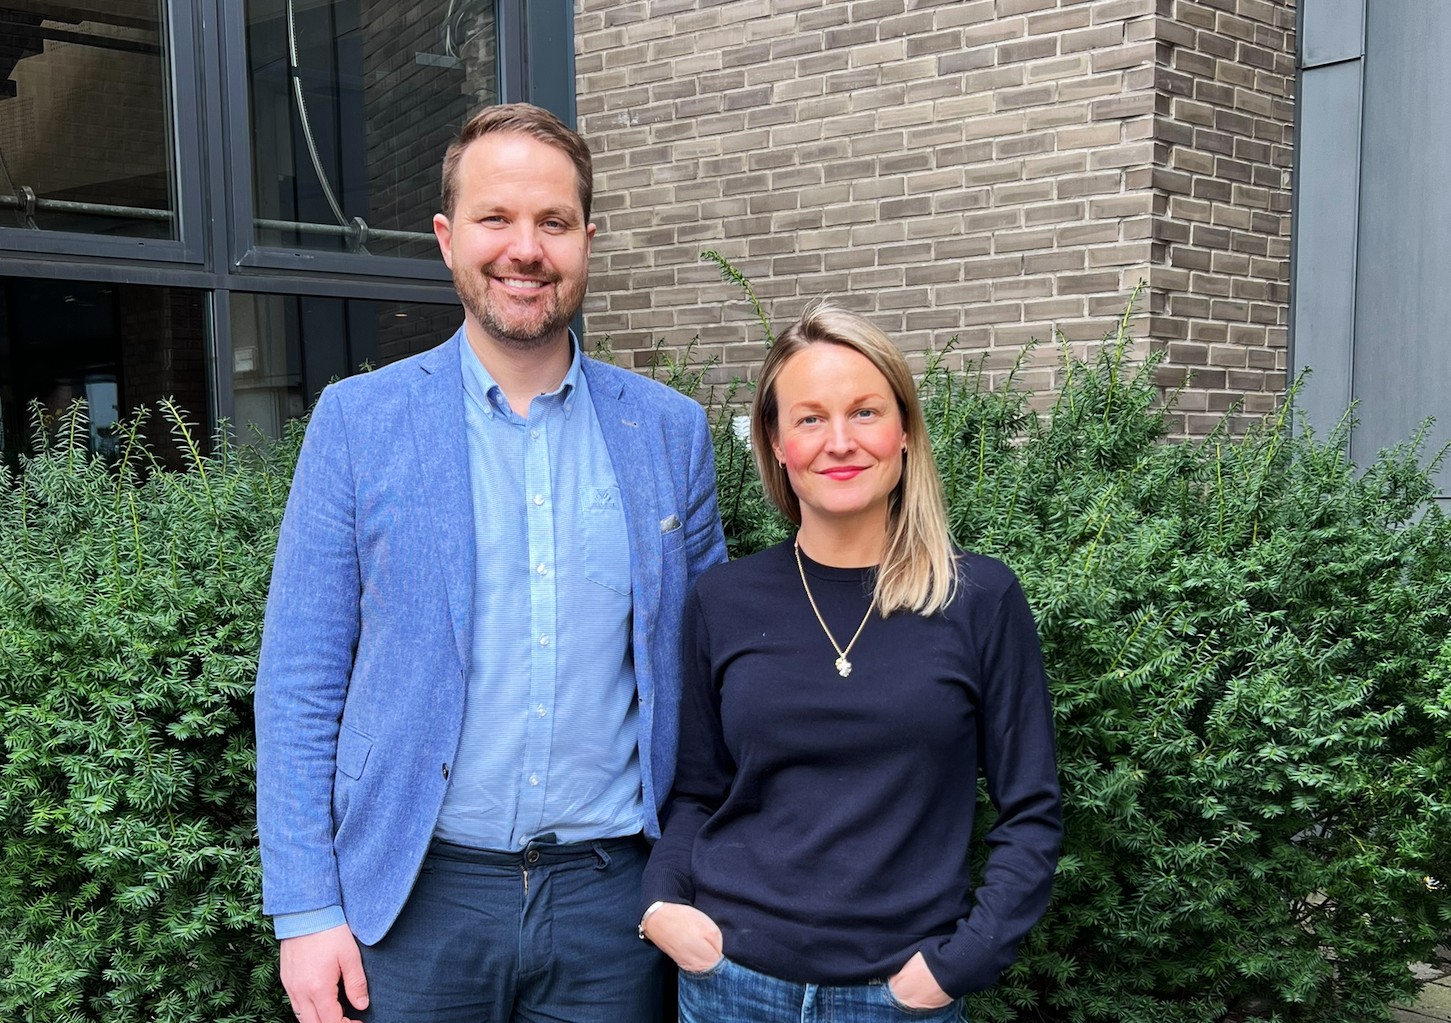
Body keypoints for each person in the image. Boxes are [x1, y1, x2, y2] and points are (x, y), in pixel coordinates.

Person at [254, 103, 727, 1023]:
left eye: (553, 222)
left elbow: (709, 677)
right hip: (414, 901)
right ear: (446, 238)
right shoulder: (358, 423)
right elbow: (300, 681)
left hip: (614, 905)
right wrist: (305, 909)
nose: (525, 249)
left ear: (586, 241)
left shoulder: (669, 432)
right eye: (495, 218)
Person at [639, 305, 1063, 1022]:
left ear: (904, 431)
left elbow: (1031, 812)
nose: (840, 442)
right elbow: (696, 793)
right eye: (809, 418)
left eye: (865, 412)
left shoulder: (978, 598)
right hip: (730, 986)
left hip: (899, 997)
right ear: (776, 443)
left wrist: (957, 964)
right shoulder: (723, 600)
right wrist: (662, 903)